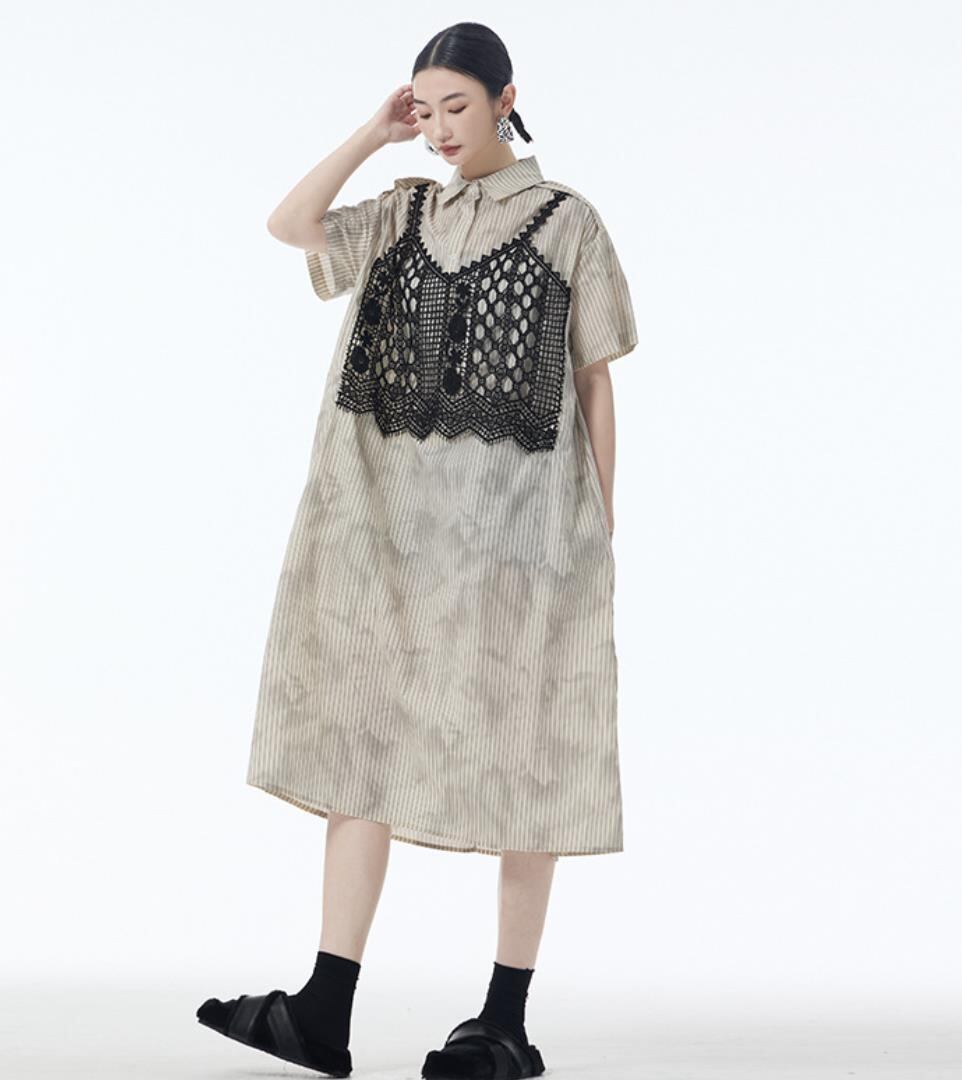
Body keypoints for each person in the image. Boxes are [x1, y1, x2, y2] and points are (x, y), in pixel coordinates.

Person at [197, 21, 638, 1080]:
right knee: (362, 743)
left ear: (504, 100)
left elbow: (593, 378)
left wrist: (599, 521)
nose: (438, 128)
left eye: (456, 106)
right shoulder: (398, 213)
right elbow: (290, 225)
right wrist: (371, 134)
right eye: (423, 108)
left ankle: (503, 1021)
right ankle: (323, 1008)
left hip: (519, 541)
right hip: (379, 534)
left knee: (530, 756)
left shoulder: (568, 221)